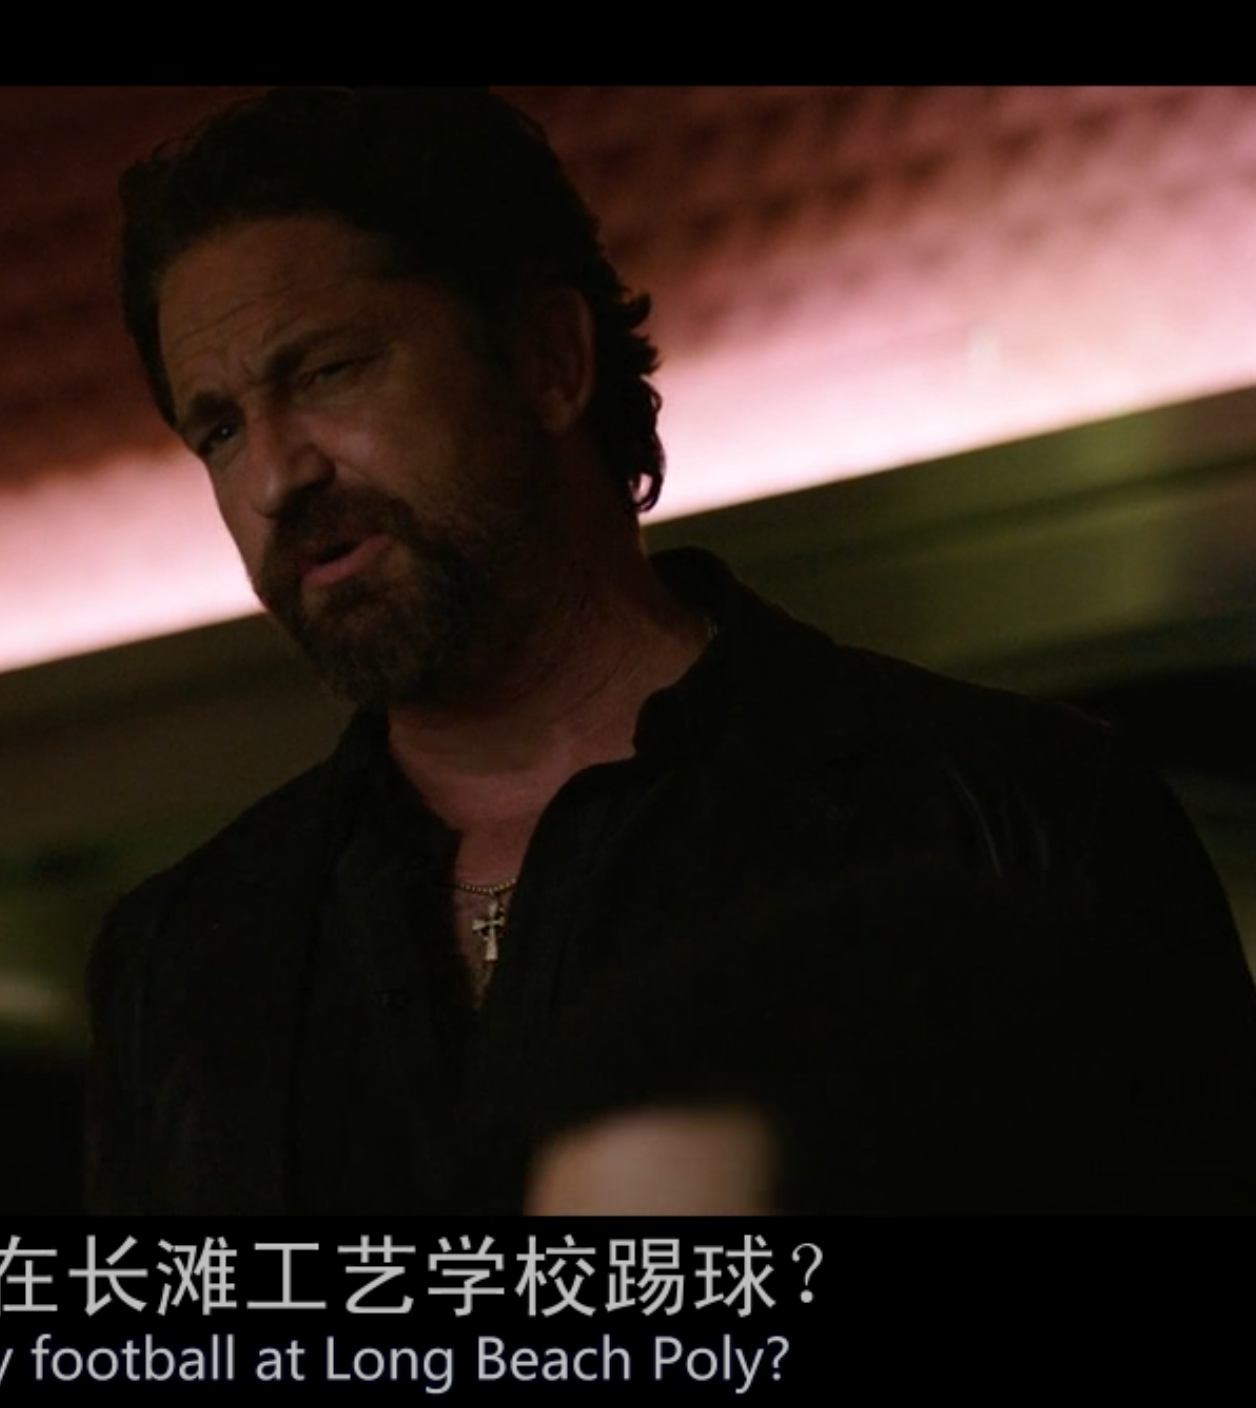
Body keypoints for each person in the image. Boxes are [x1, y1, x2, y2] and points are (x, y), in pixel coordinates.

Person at [86, 87, 1256, 1214]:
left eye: (327, 370)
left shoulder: (1007, 814)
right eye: (218, 428)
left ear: (547, 359)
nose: (274, 476)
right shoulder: (184, 959)